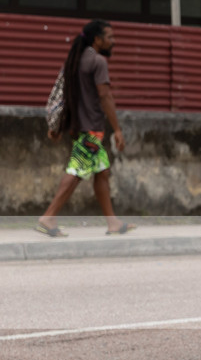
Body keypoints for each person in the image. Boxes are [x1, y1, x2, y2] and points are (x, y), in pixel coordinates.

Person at [35, 20, 135, 237]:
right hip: (92, 129)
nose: (113, 41)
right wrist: (117, 129)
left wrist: (60, 125)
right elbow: (105, 96)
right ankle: (48, 217)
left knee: (102, 173)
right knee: (76, 172)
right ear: (97, 40)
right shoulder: (98, 62)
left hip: (79, 127)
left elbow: (66, 95)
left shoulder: (75, 60)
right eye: (110, 37)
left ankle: (112, 223)